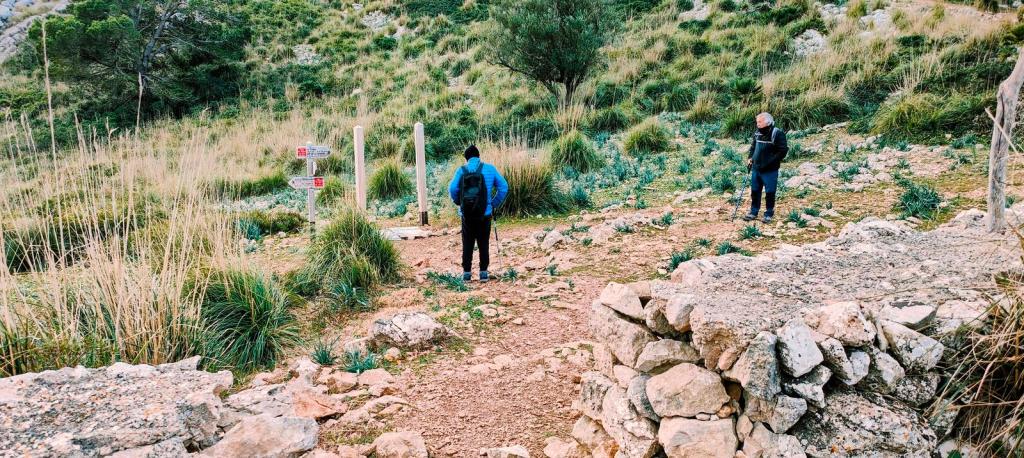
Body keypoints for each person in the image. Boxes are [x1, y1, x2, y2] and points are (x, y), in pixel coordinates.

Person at [448, 145, 509, 283]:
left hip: (467, 214)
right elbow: (504, 187)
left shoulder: (461, 170)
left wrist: (459, 202)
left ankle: (467, 274)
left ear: (466, 158)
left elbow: (452, 188)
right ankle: (483, 273)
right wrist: (493, 203)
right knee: (483, 242)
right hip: (485, 213)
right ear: (479, 156)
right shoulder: (490, 169)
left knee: (467, 242)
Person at [743, 112, 789, 223]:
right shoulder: (757, 133)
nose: (757, 124)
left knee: (770, 192)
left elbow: (783, 150)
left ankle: (768, 214)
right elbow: (753, 147)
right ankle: (753, 212)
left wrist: (770, 161)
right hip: (756, 168)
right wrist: (750, 158)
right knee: (755, 191)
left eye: (760, 122)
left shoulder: (777, 133)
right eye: (757, 122)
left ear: (767, 122)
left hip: (770, 170)